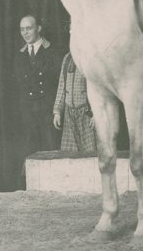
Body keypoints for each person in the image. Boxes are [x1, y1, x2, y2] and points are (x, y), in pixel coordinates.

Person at [14, 14, 61, 157]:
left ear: (38, 28)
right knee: (30, 153)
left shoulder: (53, 51)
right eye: (22, 29)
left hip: (47, 111)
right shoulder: (19, 56)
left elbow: (60, 83)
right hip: (28, 113)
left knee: (51, 151)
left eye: (29, 28)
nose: (25, 33)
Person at [52, 52, 97, 153]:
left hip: (87, 114)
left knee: (90, 154)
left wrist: (96, 113)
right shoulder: (67, 58)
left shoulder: (93, 58)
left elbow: (99, 89)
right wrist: (57, 112)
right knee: (69, 154)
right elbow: (62, 86)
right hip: (69, 115)